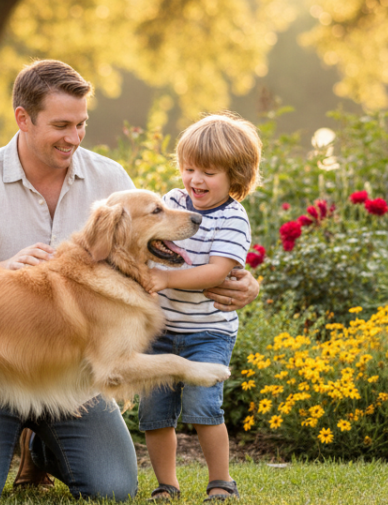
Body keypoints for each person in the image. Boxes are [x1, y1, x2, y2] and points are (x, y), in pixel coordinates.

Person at [0, 60, 260, 502]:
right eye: (61, 125)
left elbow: (154, 243)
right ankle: (15, 437)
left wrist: (240, 279)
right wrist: (0, 270)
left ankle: (40, 451)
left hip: (76, 381)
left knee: (114, 488)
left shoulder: (110, 180)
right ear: (23, 119)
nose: (74, 137)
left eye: (81, 124)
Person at [138, 113, 262, 502]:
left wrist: (167, 278)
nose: (195, 180)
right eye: (189, 168)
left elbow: (216, 271)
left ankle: (220, 481)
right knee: (155, 413)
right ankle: (166, 484)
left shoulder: (232, 219)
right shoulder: (172, 202)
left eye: (208, 172)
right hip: (161, 329)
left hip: (207, 332)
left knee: (204, 406)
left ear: (235, 176)